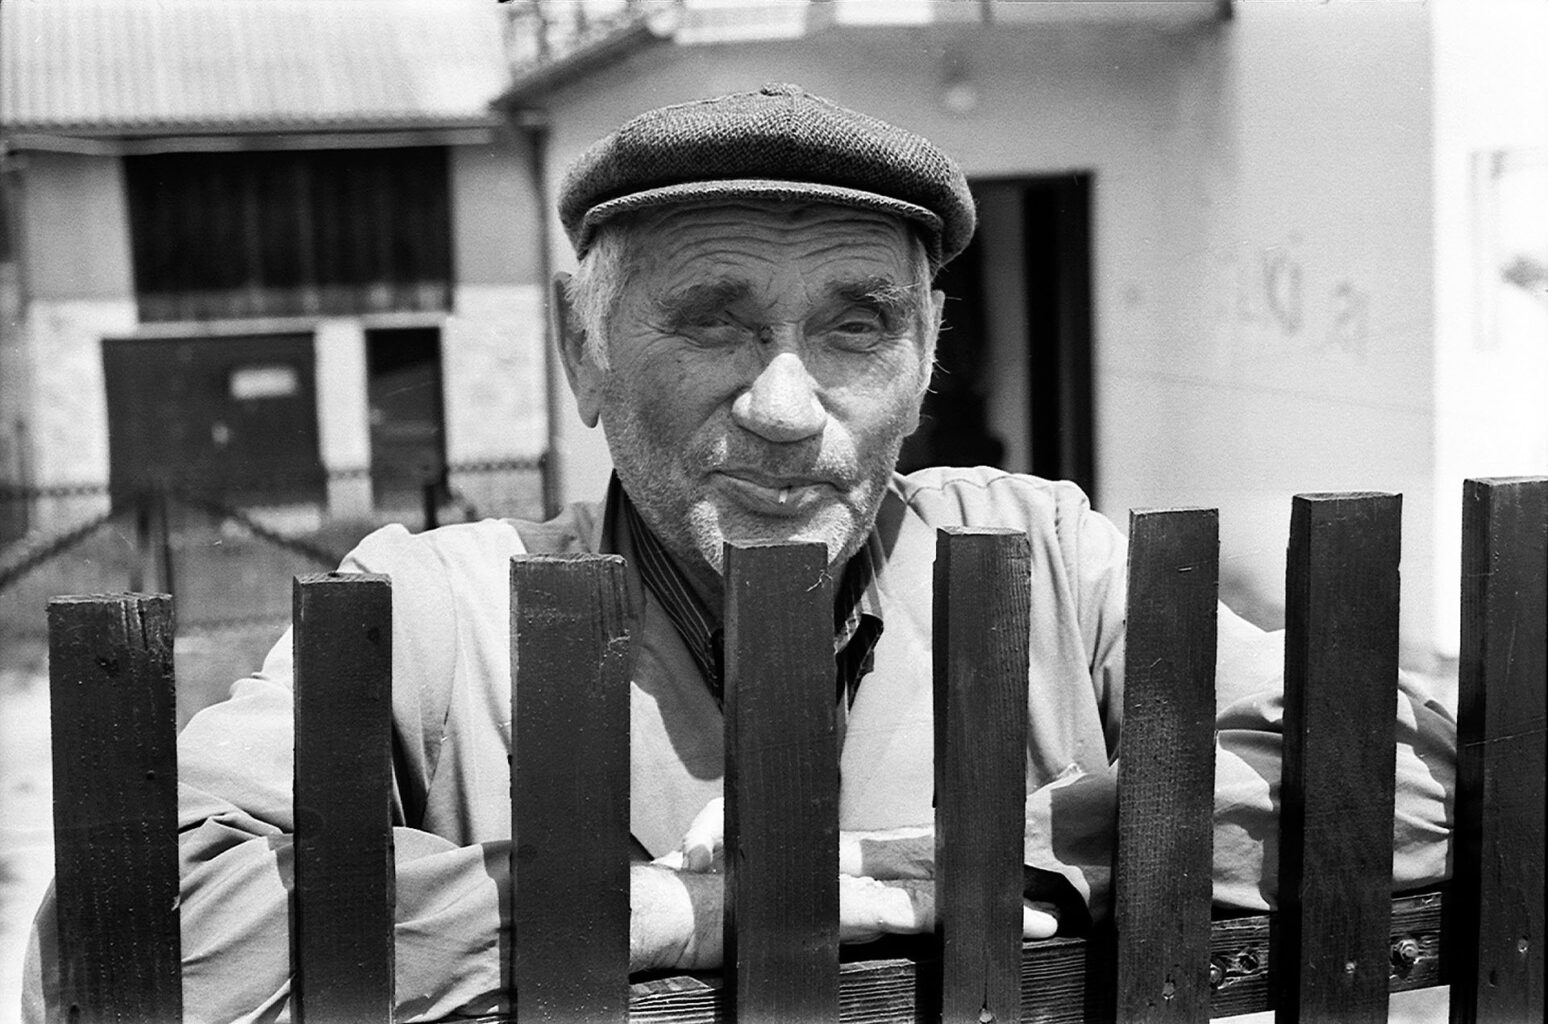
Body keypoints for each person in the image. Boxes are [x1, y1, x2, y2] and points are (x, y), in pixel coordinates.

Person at [23, 84, 1455, 1022]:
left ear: (926, 357)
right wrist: (691, 908)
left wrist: (958, 871)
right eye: (711, 318)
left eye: (855, 324)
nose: (784, 409)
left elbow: (1408, 775)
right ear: (587, 356)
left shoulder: (1044, 561)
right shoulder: (433, 613)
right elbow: (129, 928)